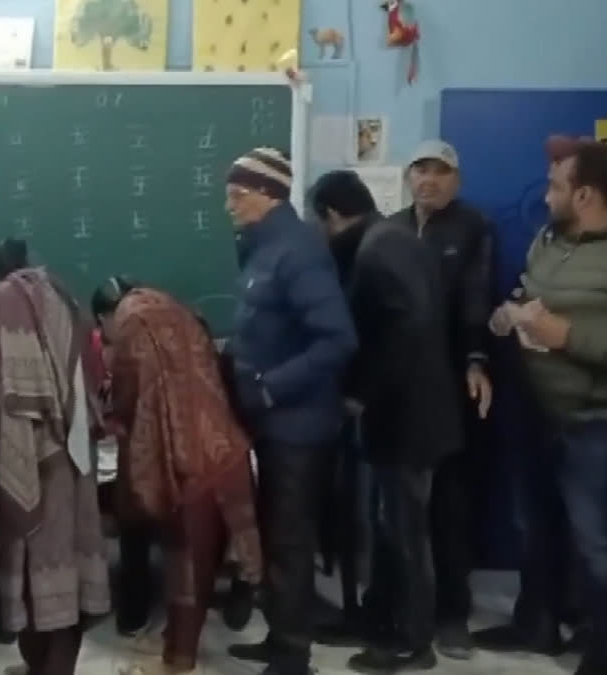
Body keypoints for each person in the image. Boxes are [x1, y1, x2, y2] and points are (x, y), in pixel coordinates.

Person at [488, 142, 607, 675]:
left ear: (585, 194)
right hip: (536, 411)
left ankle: (601, 657)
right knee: (535, 526)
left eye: (555, 186)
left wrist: (567, 335)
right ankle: (538, 625)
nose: (545, 193)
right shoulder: (550, 237)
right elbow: (530, 287)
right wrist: (515, 313)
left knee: (596, 539)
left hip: (600, 424)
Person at [313, 170, 462, 672]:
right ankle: (380, 618)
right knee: (390, 525)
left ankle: (412, 642)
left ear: (332, 215)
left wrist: (360, 394)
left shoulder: (378, 248)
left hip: (408, 417)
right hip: (410, 411)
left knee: (405, 531)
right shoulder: (393, 236)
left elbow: (408, 328)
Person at [221, 148, 357, 675]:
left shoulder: (297, 252)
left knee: (291, 541)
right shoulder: (261, 247)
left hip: (298, 427)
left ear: (269, 195)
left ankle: (292, 656)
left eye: (238, 195)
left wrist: (272, 389)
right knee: (275, 536)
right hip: (270, 423)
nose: (229, 205)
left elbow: (338, 340)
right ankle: (280, 638)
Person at [93, 276, 262, 675]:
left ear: (105, 316)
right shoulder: (176, 310)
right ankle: (176, 646)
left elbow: (129, 397)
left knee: (186, 564)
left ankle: (178, 662)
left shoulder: (132, 322)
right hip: (223, 445)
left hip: (188, 458)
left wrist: (117, 418)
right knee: (198, 564)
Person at [0, 237, 111, 675]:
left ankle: (43, 668)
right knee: (68, 567)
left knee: (30, 572)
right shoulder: (62, 295)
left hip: (27, 455)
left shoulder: (2, 300)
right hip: (74, 451)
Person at [387, 139, 494, 659]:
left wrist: (475, 361)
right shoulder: (392, 228)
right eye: (420, 170)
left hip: (451, 389)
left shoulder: (472, 228)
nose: (429, 180)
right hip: (398, 390)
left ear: (457, 180)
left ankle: (453, 615)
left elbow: (477, 298)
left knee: (449, 505)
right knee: (399, 511)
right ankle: (401, 612)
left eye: (440, 172)